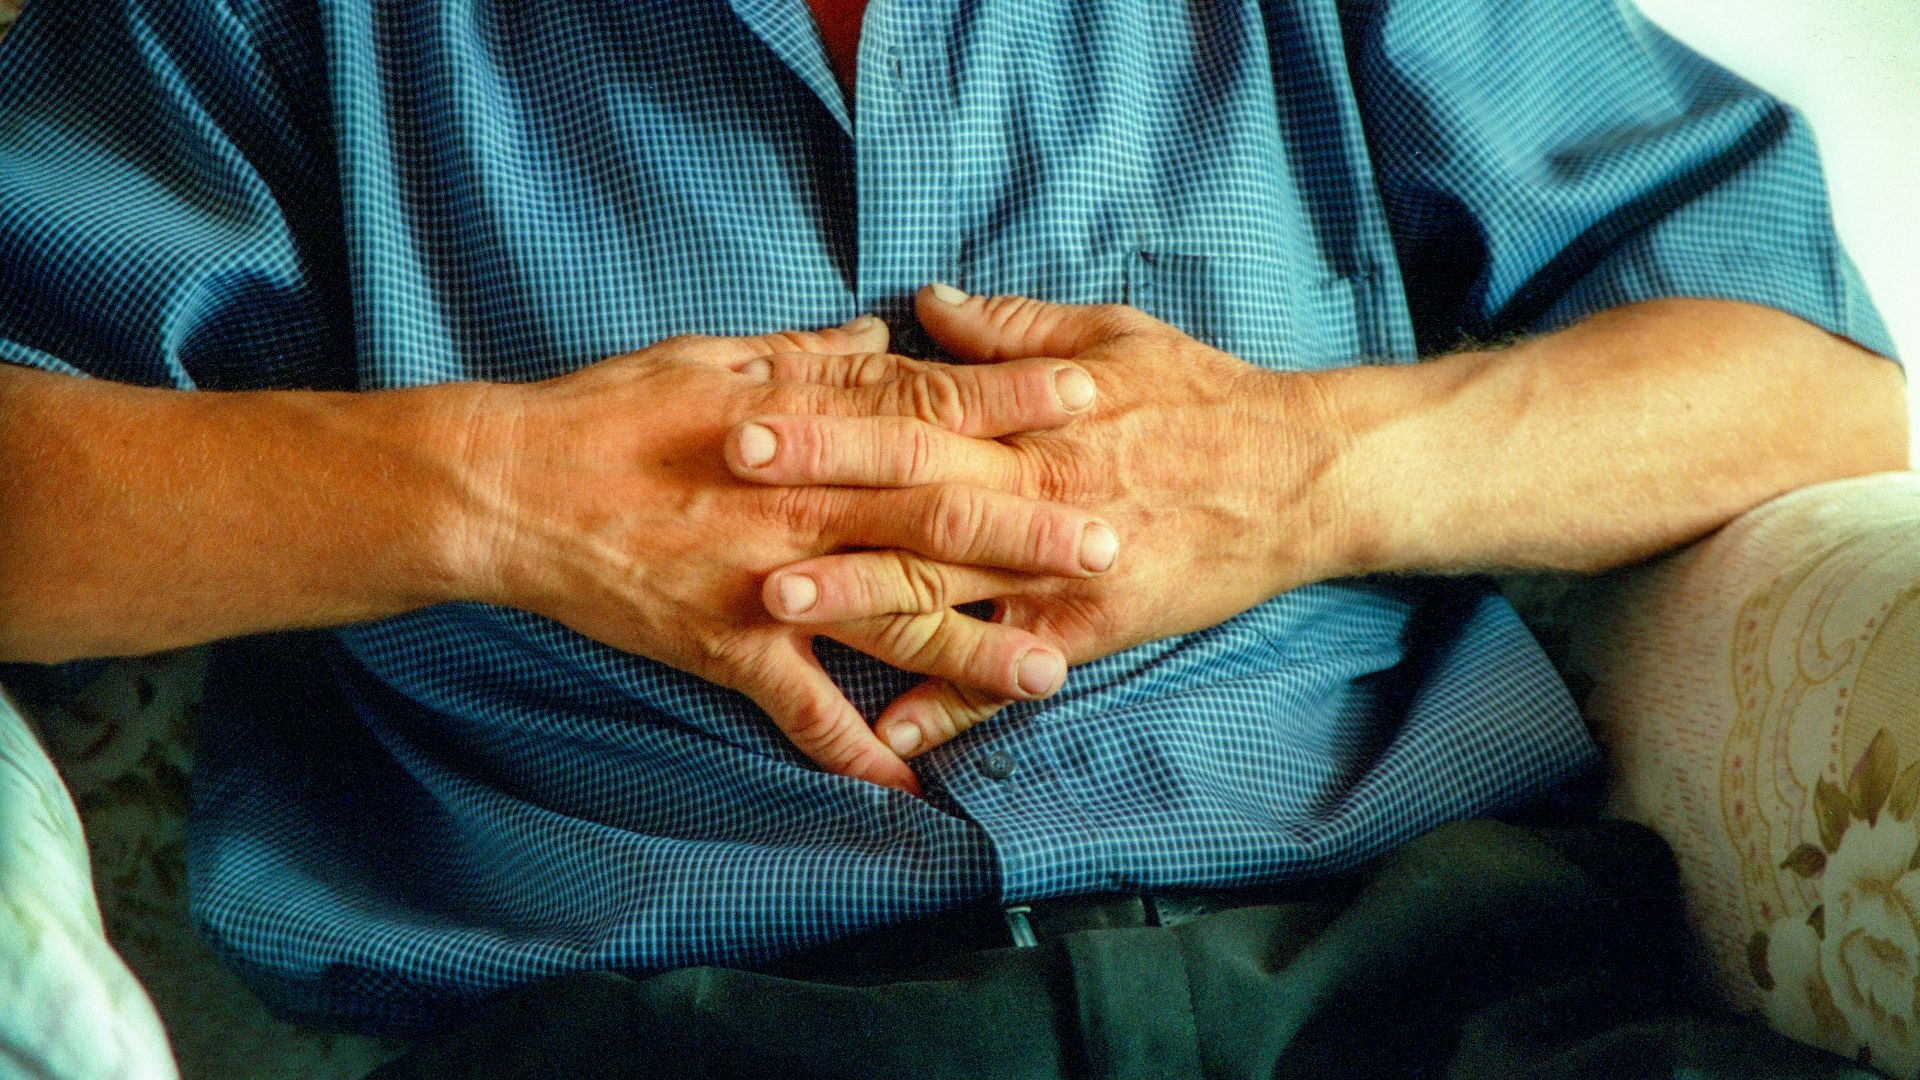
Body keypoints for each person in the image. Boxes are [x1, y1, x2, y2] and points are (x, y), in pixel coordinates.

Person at [0, 0, 1905, 1074]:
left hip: (1425, 987)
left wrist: (1301, 468)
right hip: (649, 1037)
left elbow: (1811, 375)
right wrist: (501, 491)